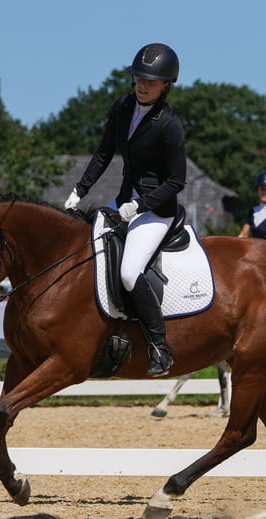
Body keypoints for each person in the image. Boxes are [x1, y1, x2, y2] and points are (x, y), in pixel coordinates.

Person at [64, 43, 186, 377]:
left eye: (150, 80)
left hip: (157, 210)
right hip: (123, 203)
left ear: (166, 85)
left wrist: (141, 206)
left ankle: (160, 346)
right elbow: (104, 153)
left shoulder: (169, 124)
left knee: (129, 272)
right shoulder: (123, 107)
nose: (141, 85)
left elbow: (177, 181)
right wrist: (80, 190)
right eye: (137, 78)